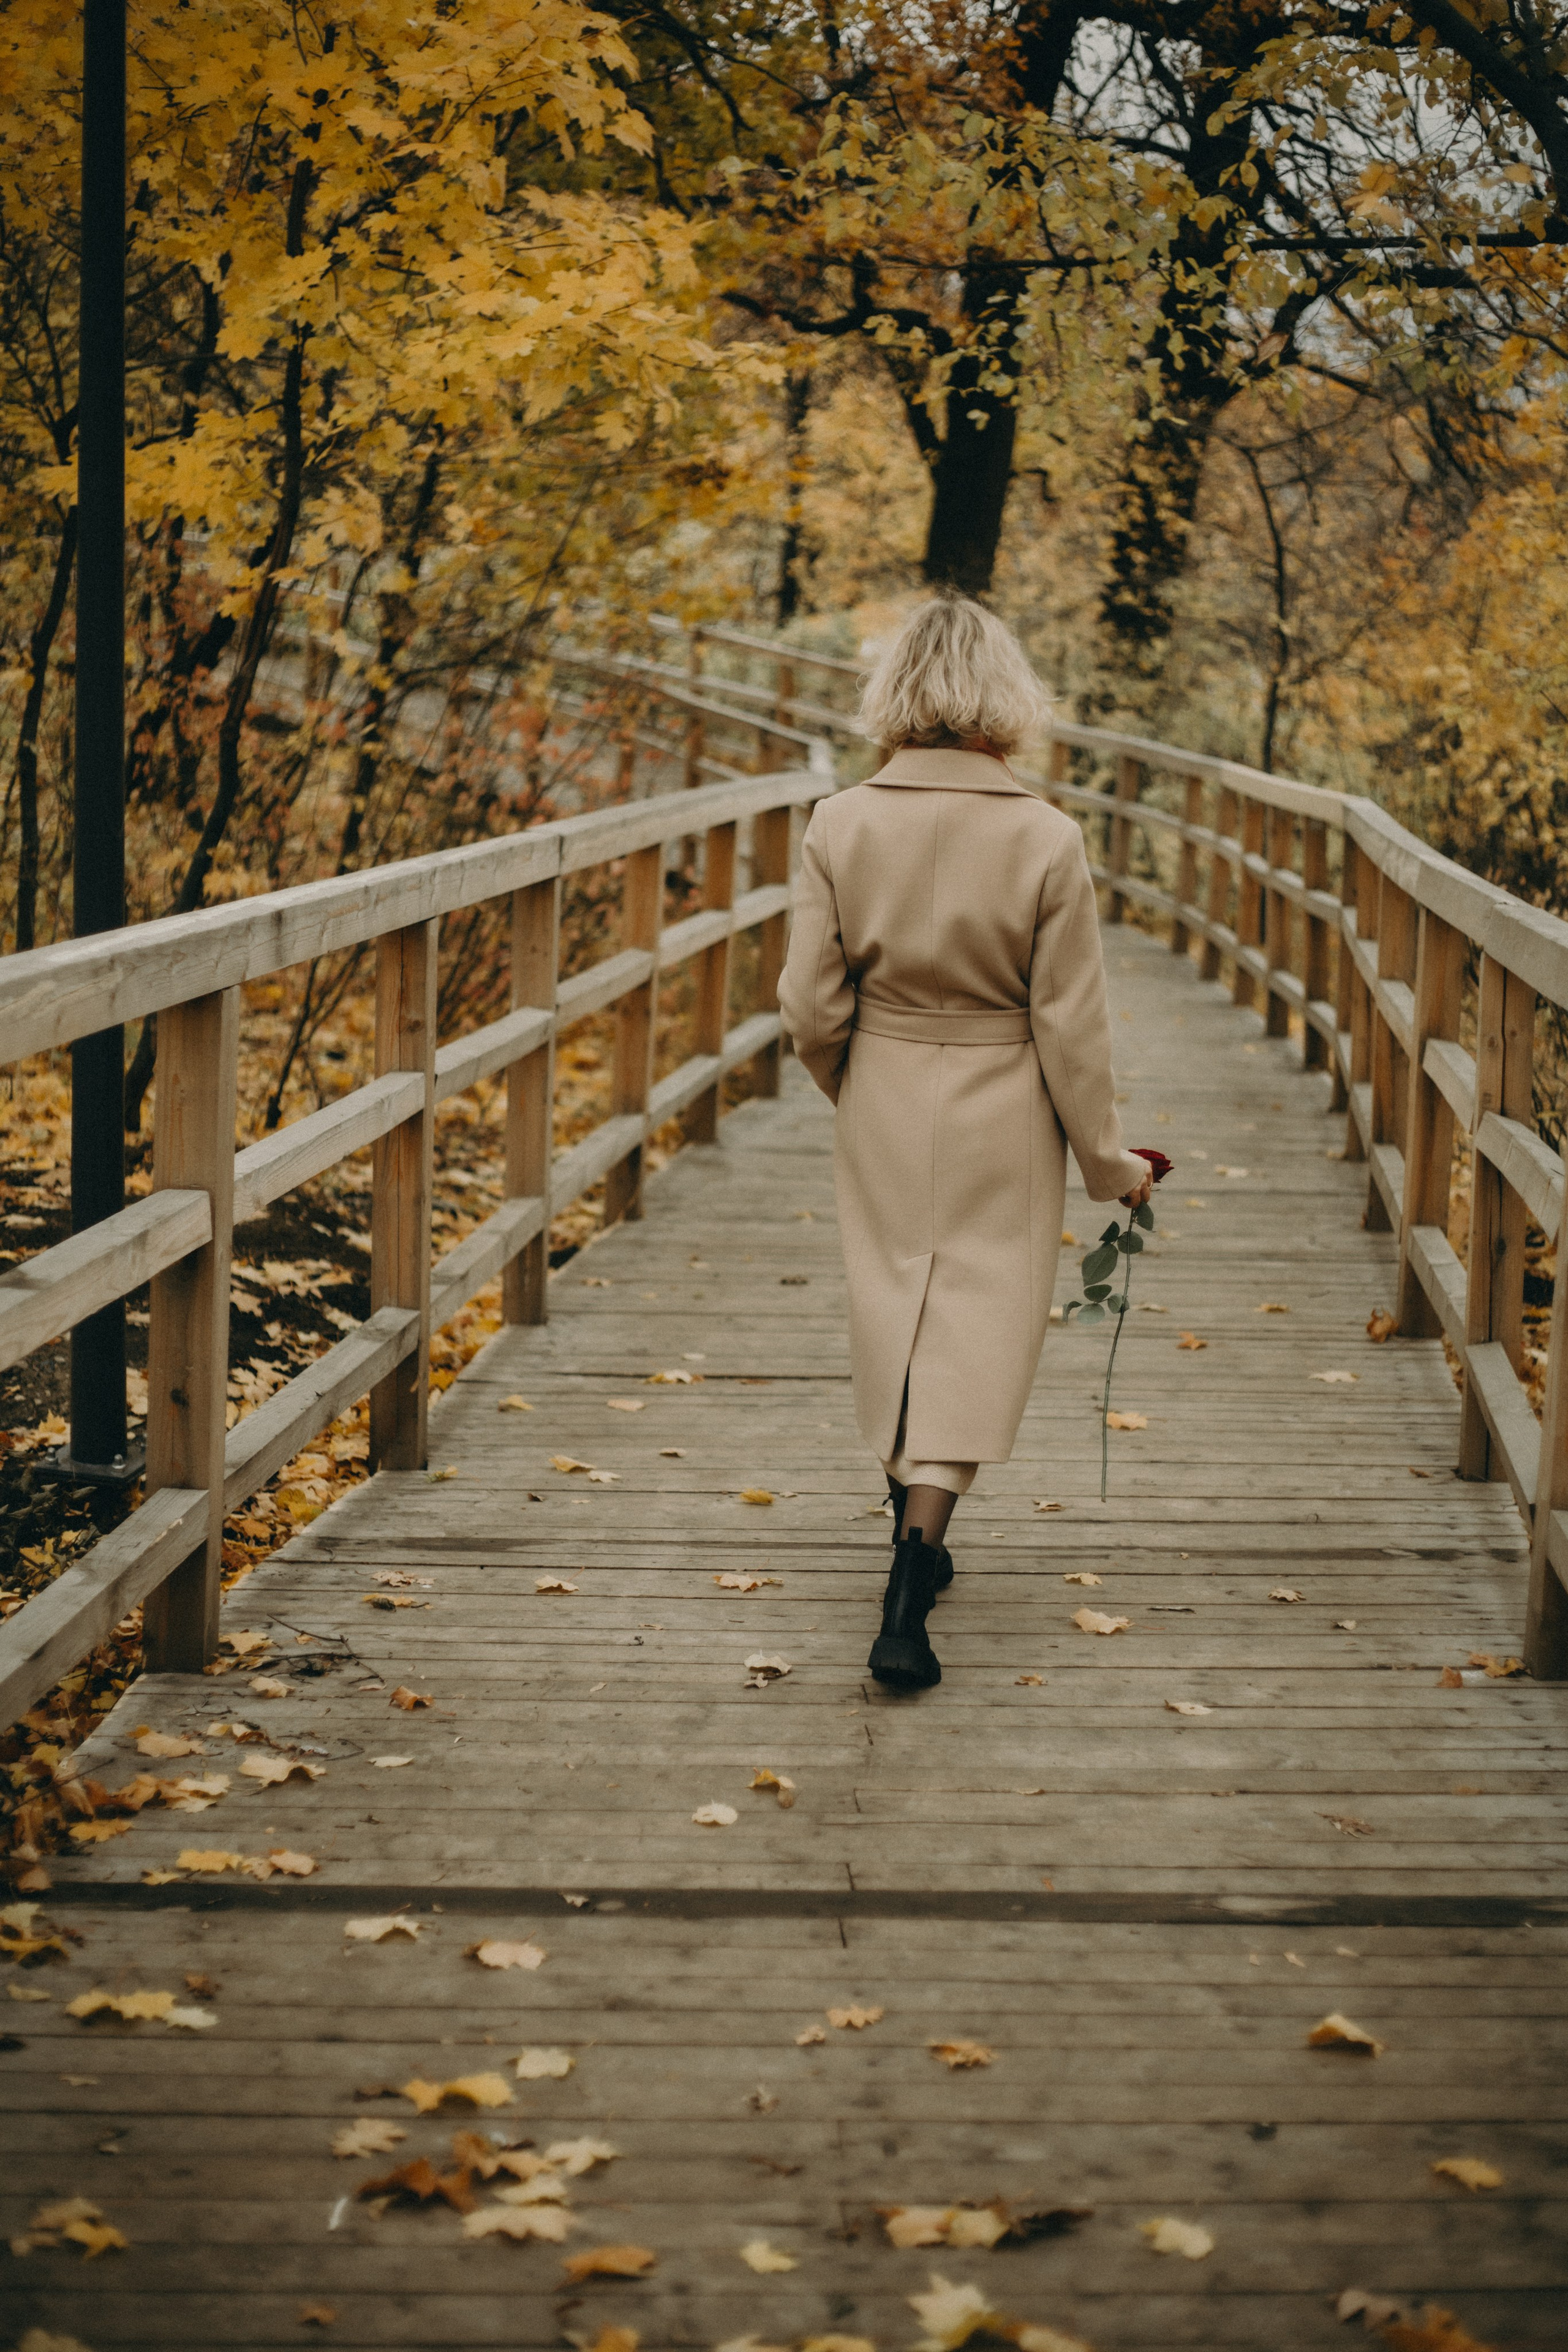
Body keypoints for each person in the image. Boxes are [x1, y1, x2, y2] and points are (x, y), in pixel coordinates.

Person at [776, 594, 1153, 1692]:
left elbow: (806, 1007)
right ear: (1004, 695)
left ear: (896, 692)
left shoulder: (839, 822)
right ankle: (915, 1562)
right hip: (1005, 1099)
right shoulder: (1045, 836)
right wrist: (1107, 1162)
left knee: (898, 1299)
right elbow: (1071, 1027)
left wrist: (854, 1080)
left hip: (884, 1086)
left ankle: (912, 1523)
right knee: (979, 1317)